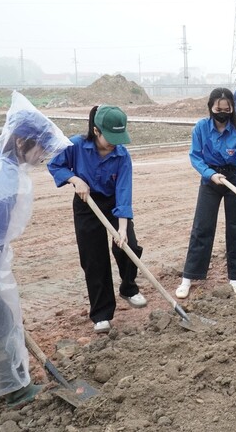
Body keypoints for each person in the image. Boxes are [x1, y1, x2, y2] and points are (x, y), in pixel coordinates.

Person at [0, 91, 71, 406]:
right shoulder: (6, 181)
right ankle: (15, 390)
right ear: (23, 143)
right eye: (41, 149)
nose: (44, 156)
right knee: (3, 320)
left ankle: (12, 387)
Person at [48, 104, 147, 334]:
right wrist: (74, 179)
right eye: (110, 137)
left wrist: (122, 228)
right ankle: (101, 313)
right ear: (96, 131)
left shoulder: (122, 155)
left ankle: (129, 288)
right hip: (87, 204)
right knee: (94, 259)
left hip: (113, 204)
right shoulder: (76, 146)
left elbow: (124, 191)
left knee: (128, 245)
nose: (114, 142)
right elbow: (55, 164)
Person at [176, 88, 236, 299]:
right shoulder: (201, 128)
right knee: (202, 225)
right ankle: (189, 276)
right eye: (218, 109)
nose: (222, 113)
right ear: (211, 107)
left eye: (227, 109)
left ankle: (235, 276)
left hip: (234, 178)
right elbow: (195, 156)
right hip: (210, 179)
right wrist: (210, 174)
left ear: (232, 109)